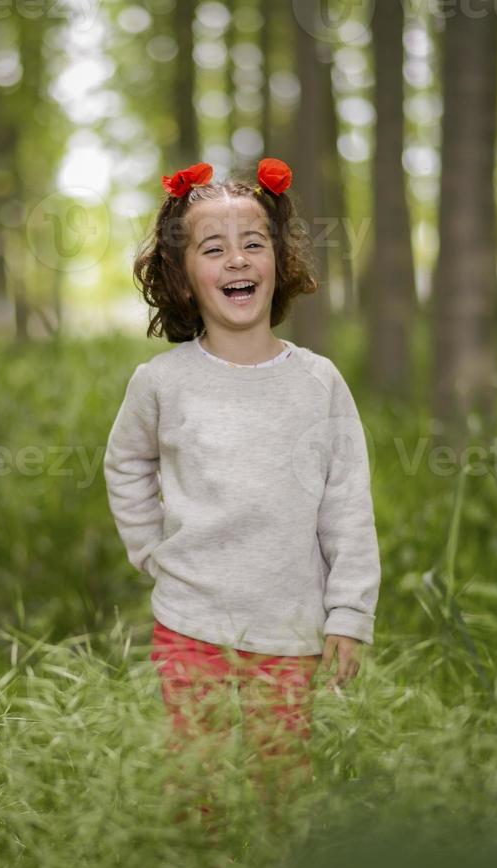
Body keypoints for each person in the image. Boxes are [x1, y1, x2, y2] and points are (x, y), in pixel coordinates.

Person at [104, 157, 382, 828]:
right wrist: (151, 553)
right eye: (213, 247)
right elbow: (124, 465)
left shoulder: (317, 382)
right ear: (183, 275)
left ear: (277, 261)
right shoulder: (162, 382)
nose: (236, 260)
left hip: (289, 627)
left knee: (278, 783)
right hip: (190, 621)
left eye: (252, 243)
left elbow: (348, 504)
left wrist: (348, 613)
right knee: (197, 779)